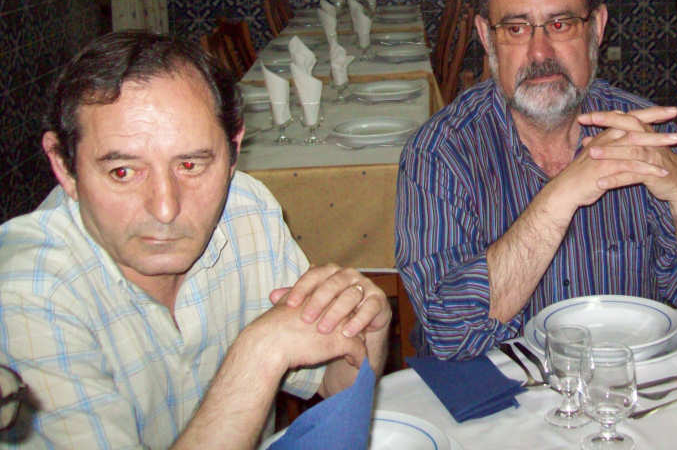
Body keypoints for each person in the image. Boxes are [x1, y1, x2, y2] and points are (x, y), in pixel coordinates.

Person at [0, 32, 391, 449]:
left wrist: (366, 330)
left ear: (233, 150)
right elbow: (266, 354)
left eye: (190, 165)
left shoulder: (246, 211)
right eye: (123, 172)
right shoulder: (26, 292)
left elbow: (334, 382)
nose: (165, 209)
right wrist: (257, 355)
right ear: (64, 166)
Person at [396, 0, 677, 359]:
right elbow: (450, 334)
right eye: (516, 28)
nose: (540, 52)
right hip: (504, 389)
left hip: (626, 378)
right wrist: (562, 194)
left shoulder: (645, 133)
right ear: (486, 38)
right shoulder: (439, 154)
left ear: (597, 28)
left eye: (560, 24)